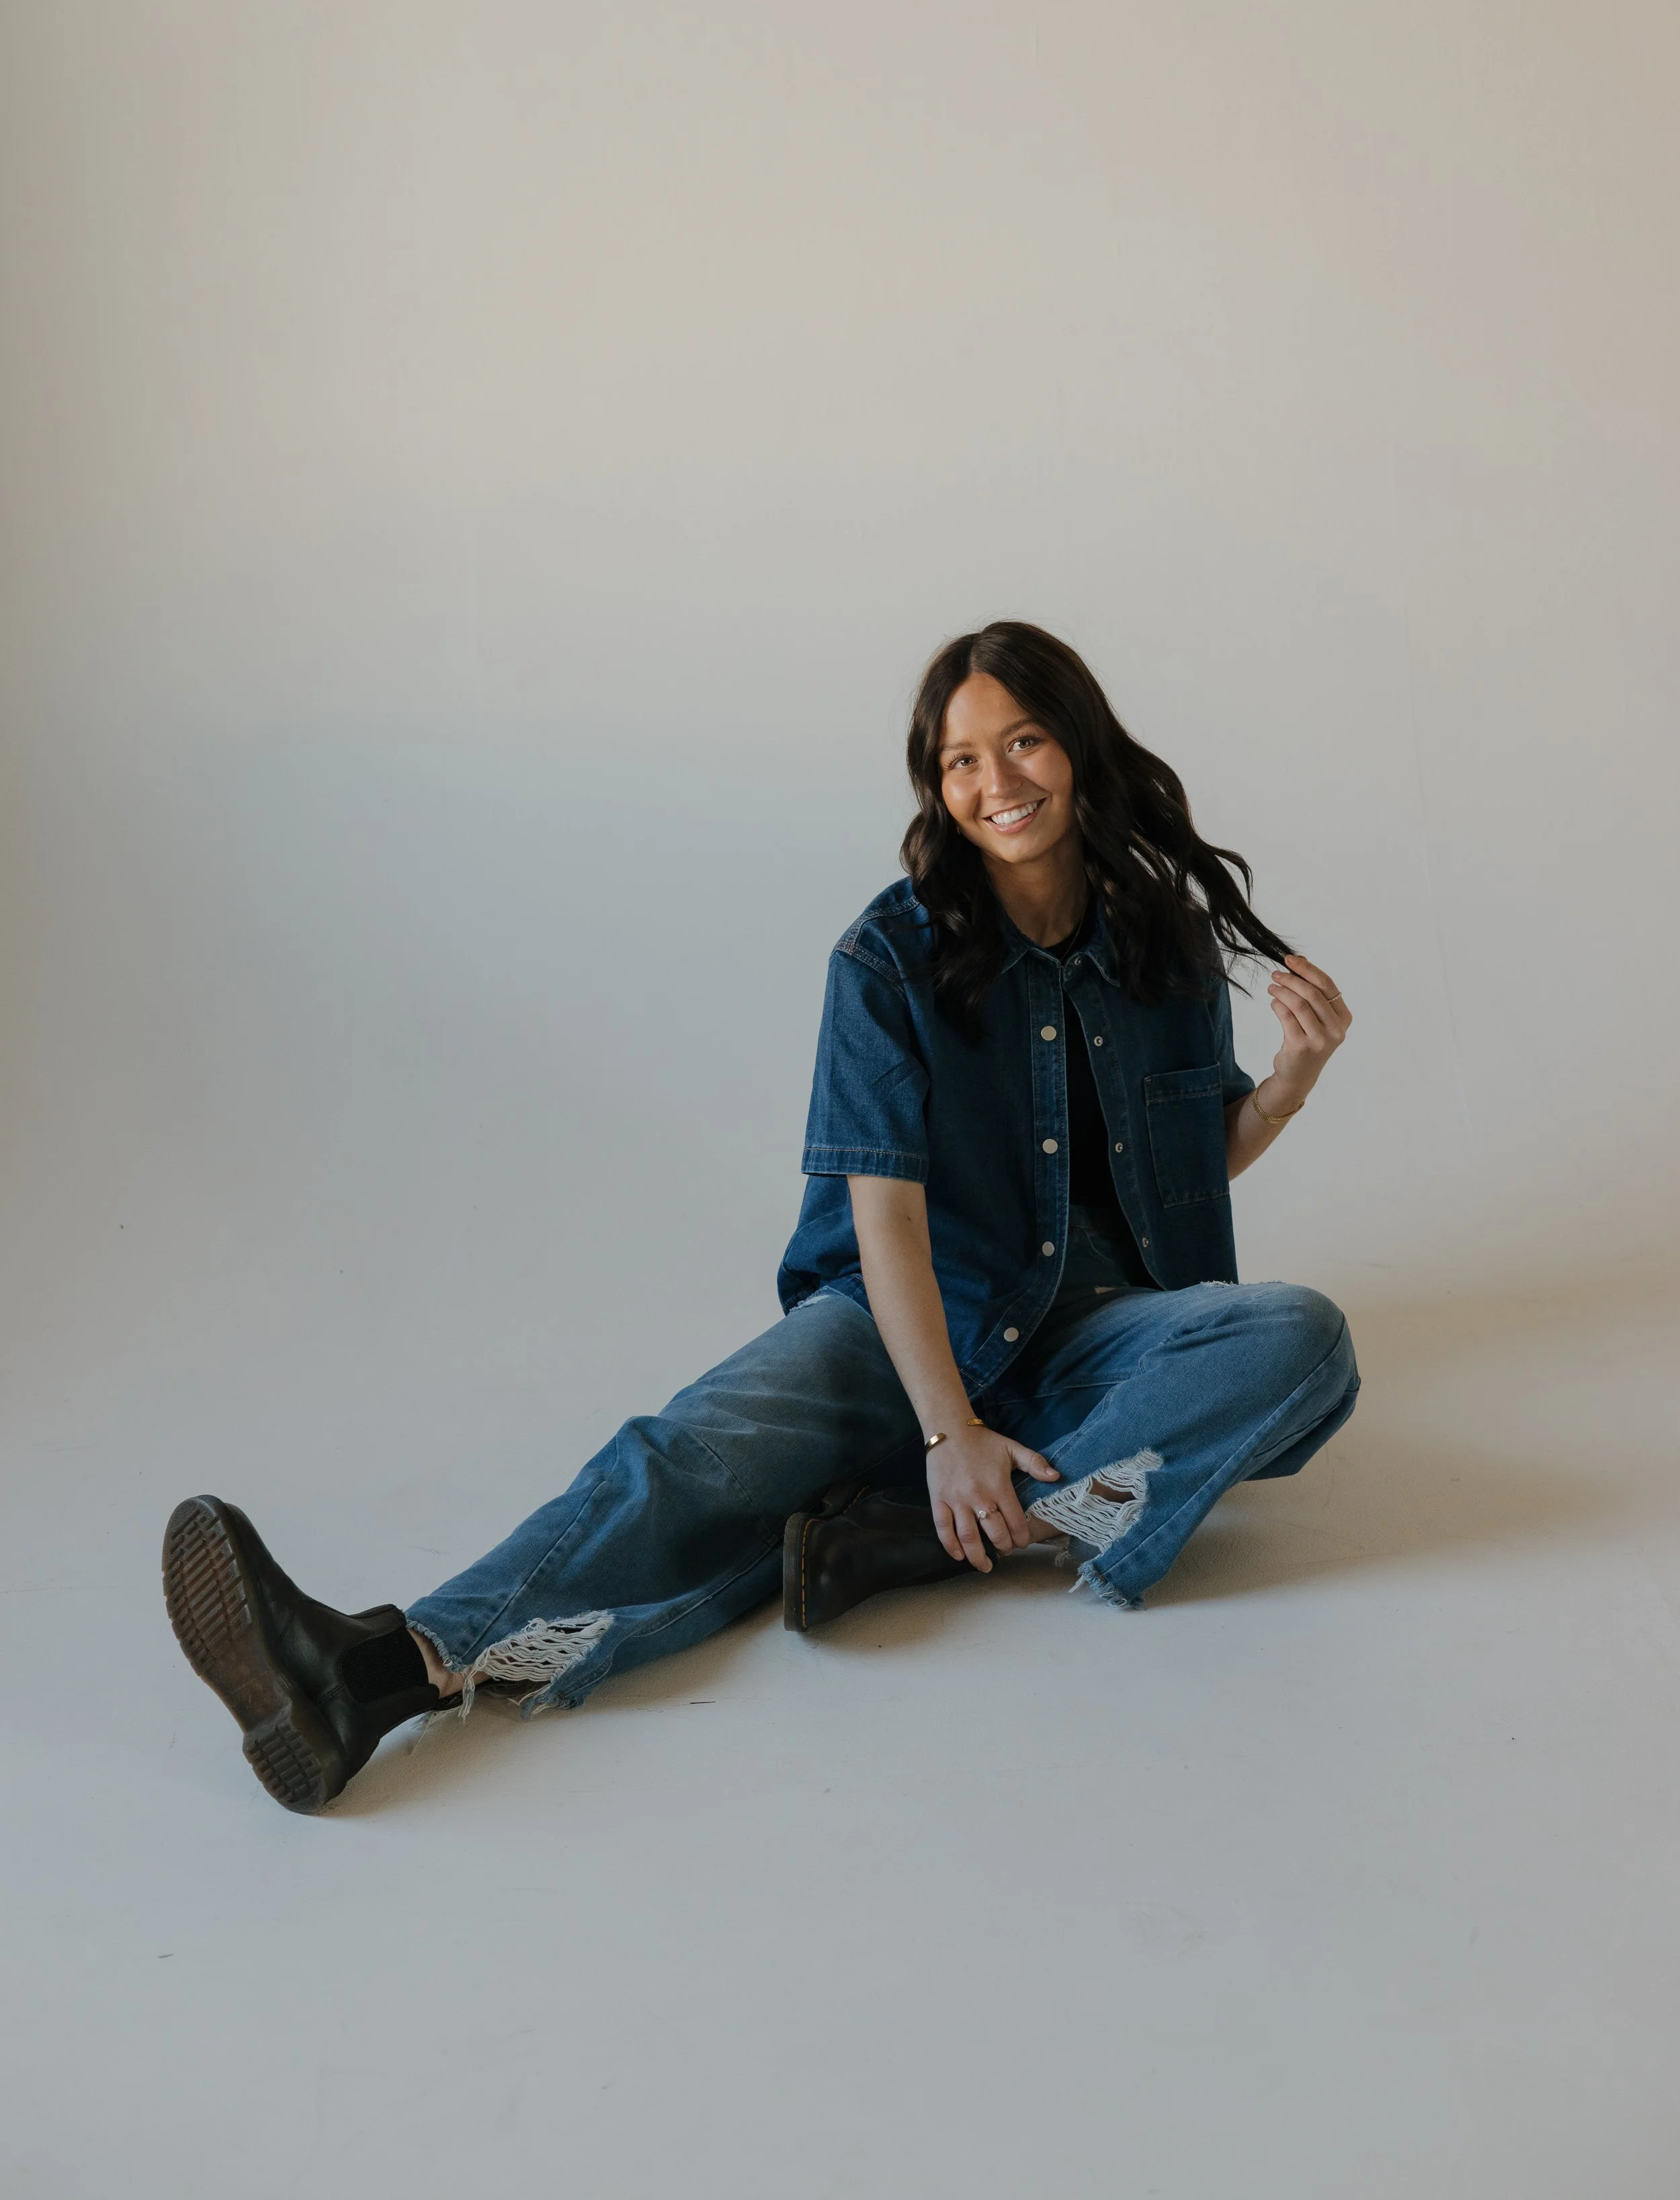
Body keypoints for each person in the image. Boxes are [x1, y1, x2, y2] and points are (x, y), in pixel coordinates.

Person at [163, 620, 1355, 1814]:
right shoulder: (888, 958)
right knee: (687, 1460)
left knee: (1303, 1342)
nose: (996, 783)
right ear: (936, 788)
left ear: (1081, 746)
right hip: (907, 1321)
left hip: (1104, 1342)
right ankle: (375, 1672)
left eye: (1026, 740)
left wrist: (1292, 1082)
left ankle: (913, 1534)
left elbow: (1190, 1166)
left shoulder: (1167, 941)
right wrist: (947, 1429)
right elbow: (881, 1215)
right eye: (960, 761)